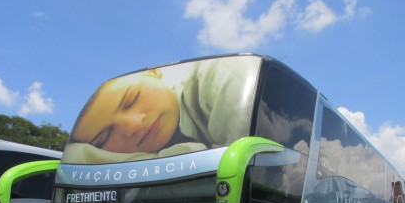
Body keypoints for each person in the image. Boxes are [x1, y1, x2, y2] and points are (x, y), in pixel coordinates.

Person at [64, 56, 259, 164]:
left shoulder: (222, 77)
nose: (134, 125)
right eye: (104, 137)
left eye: (131, 100)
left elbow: (241, 173)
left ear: (154, 73)